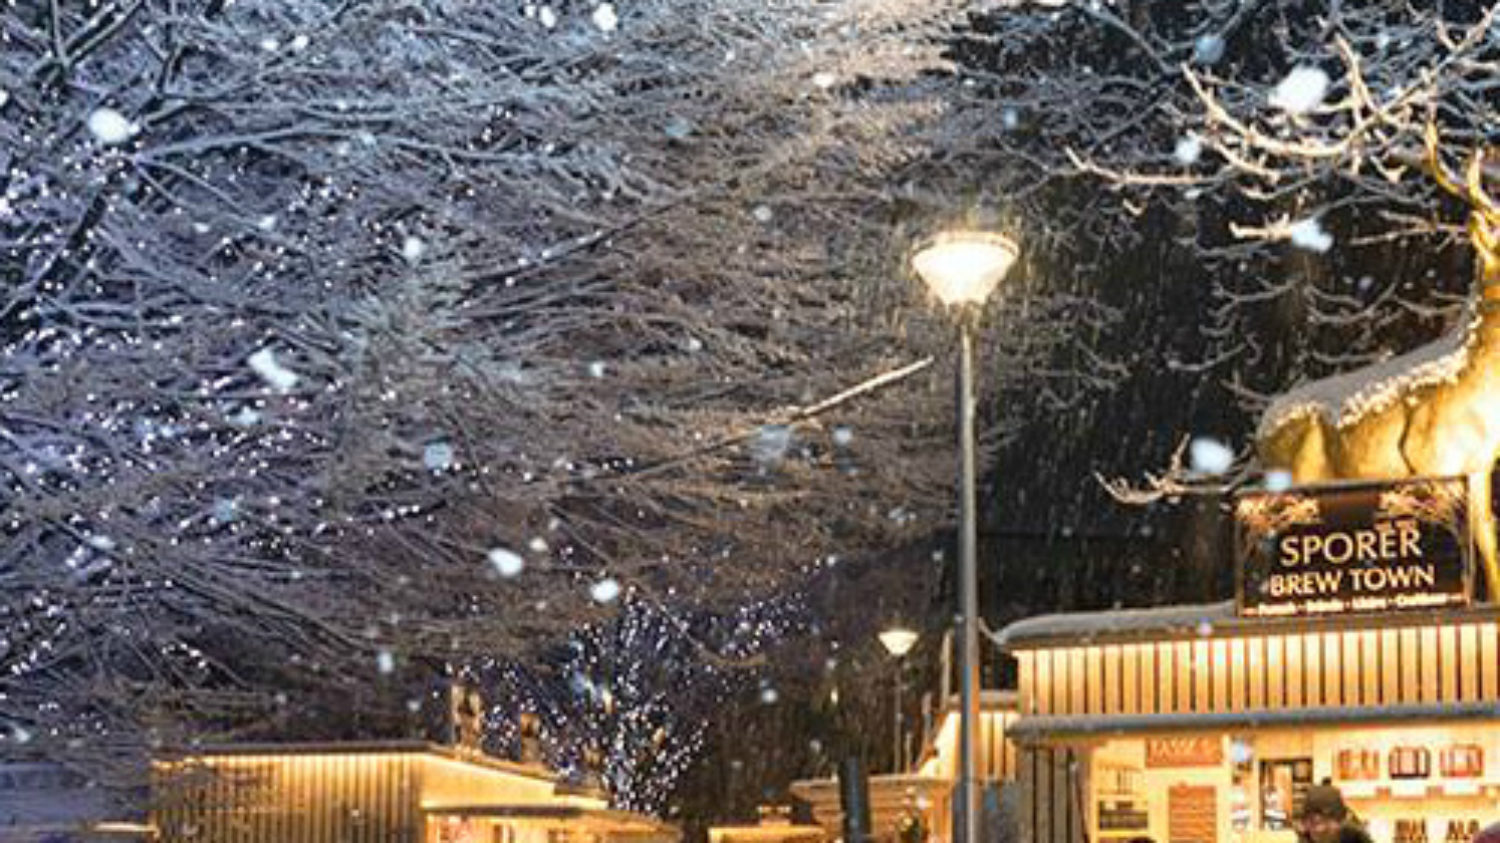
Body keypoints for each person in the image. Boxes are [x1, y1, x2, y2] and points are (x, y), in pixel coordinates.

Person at [1295, 784, 1372, 843]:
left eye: (1326, 820)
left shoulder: (1358, 839)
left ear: (1342, 820)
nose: (1319, 829)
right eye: (1312, 822)